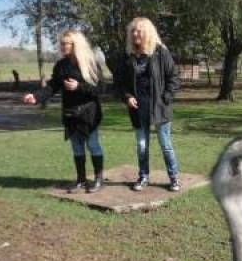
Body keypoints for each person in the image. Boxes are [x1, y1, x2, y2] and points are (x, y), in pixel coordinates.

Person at [23, 30, 104, 193]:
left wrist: (79, 86)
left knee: (93, 146)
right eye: (61, 43)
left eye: (64, 43)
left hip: (89, 115)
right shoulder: (61, 65)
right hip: (70, 114)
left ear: (75, 45)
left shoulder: (90, 63)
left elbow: (101, 89)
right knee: (77, 148)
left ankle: (98, 179)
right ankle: (80, 180)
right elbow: (52, 86)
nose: (61, 46)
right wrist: (36, 97)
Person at [115, 17, 181, 192]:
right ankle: (143, 176)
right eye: (132, 31)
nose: (135, 33)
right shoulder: (127, 56)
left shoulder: (160, 52)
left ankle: (174, 177)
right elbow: (119, 83)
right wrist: (127, 96)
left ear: (148, 33)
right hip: (138, 109)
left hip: (160, 107)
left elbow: (173, 78)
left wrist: (166, 97)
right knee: (142, 145)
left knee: (165, 145)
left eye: (139, 30)